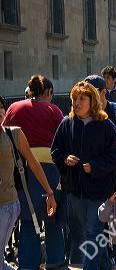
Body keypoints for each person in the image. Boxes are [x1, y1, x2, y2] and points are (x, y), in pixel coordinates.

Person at [51, 81, 116, 270]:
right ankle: (107, 266)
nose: (77, 103)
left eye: (82, 99)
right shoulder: (66, 123)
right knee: (89, 234)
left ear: (93, 101)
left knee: (93, 234)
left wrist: (95, 166)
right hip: (75, 191)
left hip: (99, 192)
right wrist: (65, 159)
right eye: (74, 99)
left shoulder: (106, 125)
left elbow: (115, 157)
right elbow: (55, 151)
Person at [2, 75, 66, 269]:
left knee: (28, 221)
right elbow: (63, 139)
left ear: (29, 90)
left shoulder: (14, 108)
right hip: (51, 169)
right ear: (47, 92)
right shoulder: (54, 110)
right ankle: (55, 261)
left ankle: (28, 263)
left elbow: (3, 135)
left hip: (23, 170)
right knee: (53, 219)